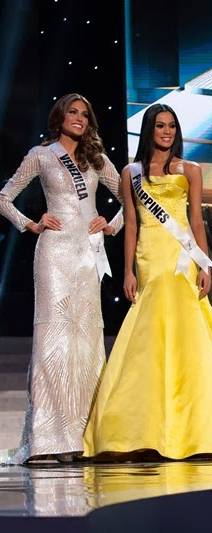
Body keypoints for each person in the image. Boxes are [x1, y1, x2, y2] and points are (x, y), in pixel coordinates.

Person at [83, 104, 212, 460]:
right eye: (160, 126)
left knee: (187, 331)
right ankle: (141, 428)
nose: (166, 132)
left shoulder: (191, 170)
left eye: (171, 126)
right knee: (148, 335)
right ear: (149, 130)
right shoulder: (130, 173)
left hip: (181, 258)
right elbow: (131, 224)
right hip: (150, 258)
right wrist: (129, 271)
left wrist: (204, 265)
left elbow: (196, 221)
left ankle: (197, 428)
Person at [0, 93, 123, 463]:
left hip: (87, 255)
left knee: (86, 341)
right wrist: (30, 223)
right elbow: (4, 197)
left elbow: (131, 197)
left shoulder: (96, 159)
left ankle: (82, 437)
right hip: (54, 254)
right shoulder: (42, 155)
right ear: (60, 116)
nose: (79, 118)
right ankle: (46, 440)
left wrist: (111, 224)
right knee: (52, 340)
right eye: (73, 112)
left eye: (85, 114)